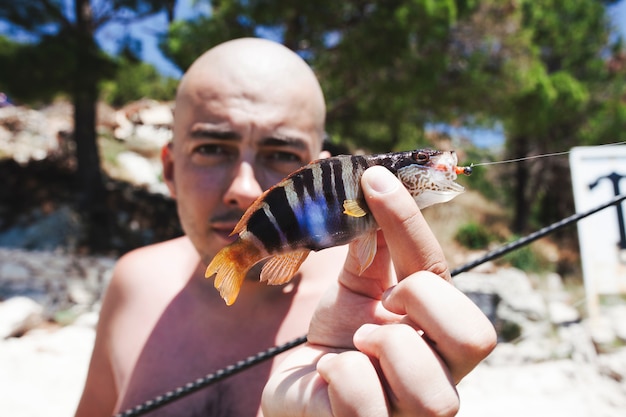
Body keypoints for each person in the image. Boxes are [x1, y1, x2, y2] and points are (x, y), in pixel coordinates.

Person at [75, 37, 496, 417]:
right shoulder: (132, 282)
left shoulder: (384, 309)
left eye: (280, 154)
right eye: (211, 148)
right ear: (168, 168)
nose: (243, 188)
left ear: (319, 164)